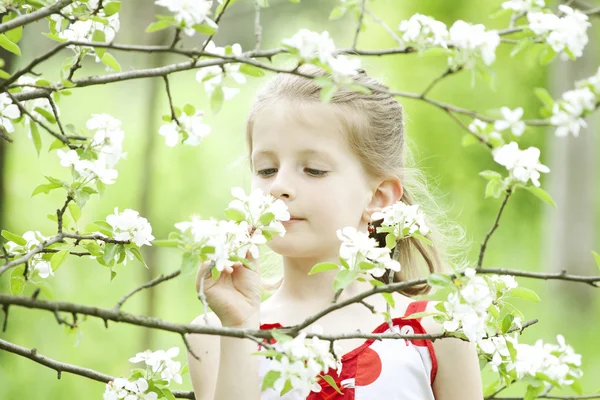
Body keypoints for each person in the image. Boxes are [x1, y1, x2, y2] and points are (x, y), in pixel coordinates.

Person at [186, 64, 483, 400]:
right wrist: (240, 328)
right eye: (266, 169)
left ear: (378, 197)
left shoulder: (437, 332)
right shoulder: (215, 336)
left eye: (314, 170)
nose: (279, 186)